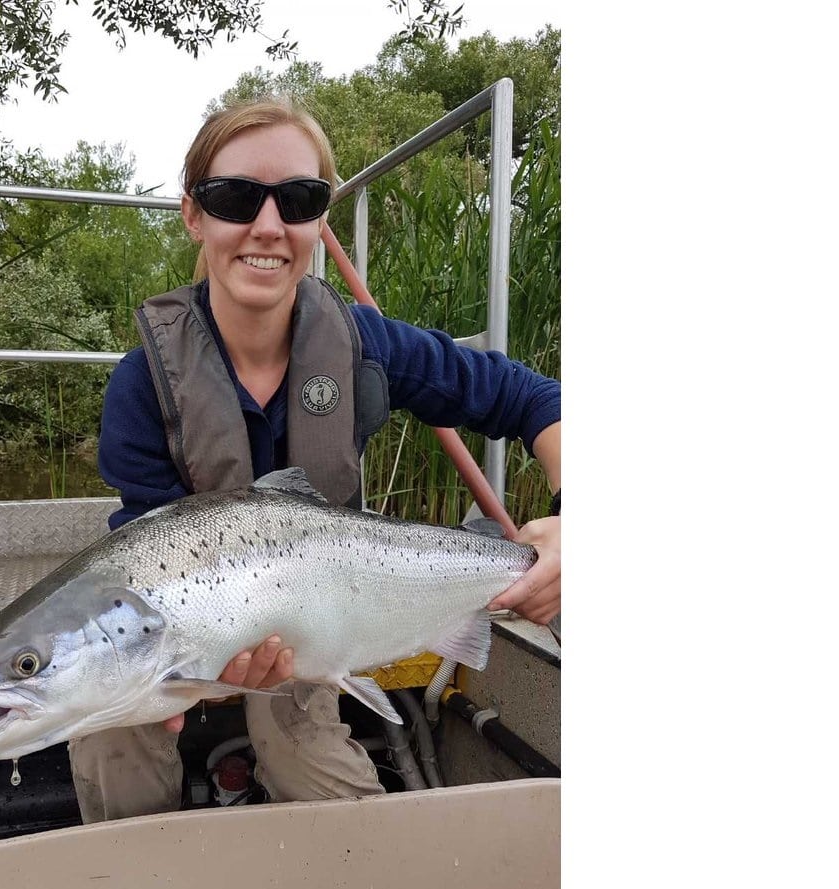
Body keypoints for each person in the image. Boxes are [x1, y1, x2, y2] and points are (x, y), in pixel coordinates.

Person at [68, 97, 561, 824]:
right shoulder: (143, 383)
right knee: (107, 727)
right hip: (186, 633)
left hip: (320, 620)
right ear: (193, 215)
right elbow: (150, 561)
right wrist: (184, 677)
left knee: (310, 759)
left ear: (319, 221)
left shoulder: (367, 344)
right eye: (235, 197)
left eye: (299, 199)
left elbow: (533, 398)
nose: (268, 226)